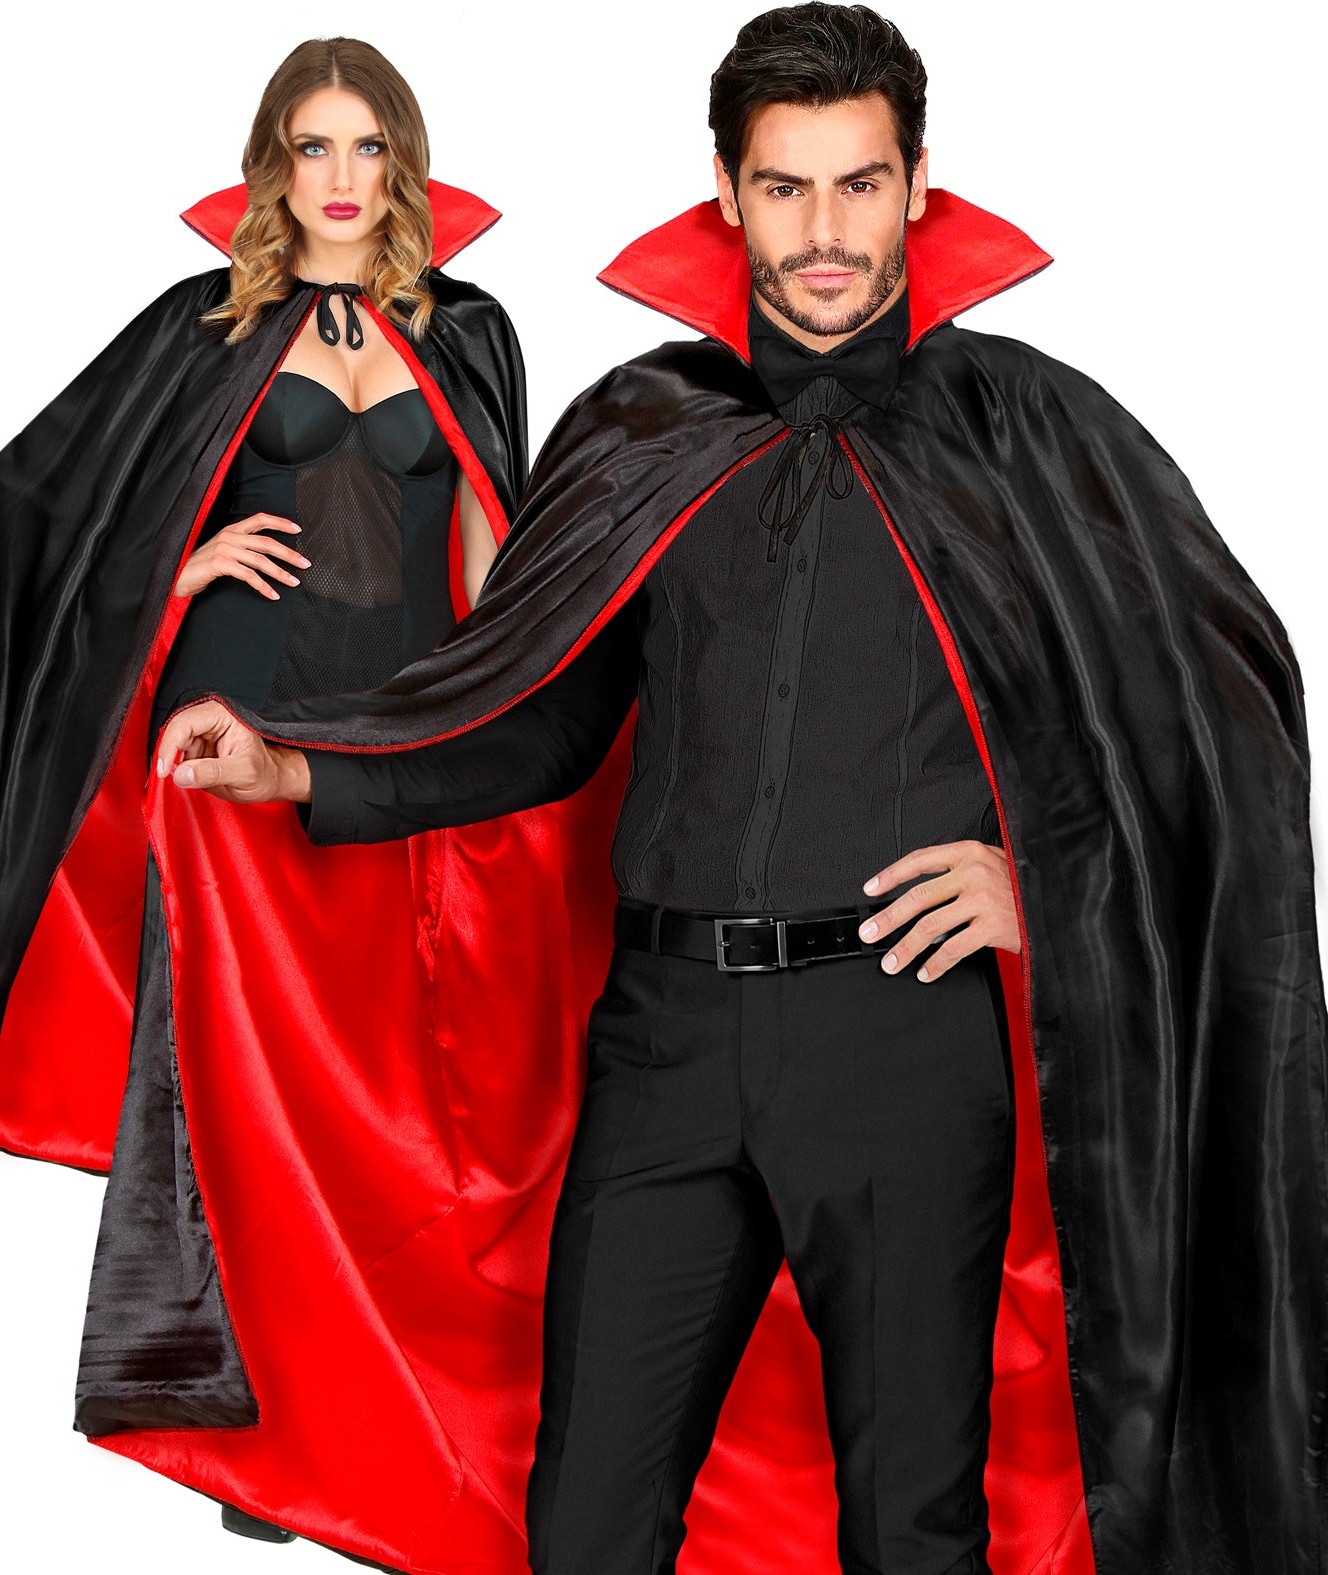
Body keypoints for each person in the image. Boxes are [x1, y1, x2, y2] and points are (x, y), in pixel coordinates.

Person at [157, 5, 1328, 1574]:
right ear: (725, 191)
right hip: (665, 1039)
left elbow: (1214, 729)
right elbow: (537, 712)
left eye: (859, 183)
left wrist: (1044, 886)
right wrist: (298, 763)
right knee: (586, 1522)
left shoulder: (1033, 433)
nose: (824, 231)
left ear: (918, 184)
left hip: (901, 1046)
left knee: (911, 1533)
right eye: (784, 187)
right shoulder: (641, 423)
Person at [0, 32, 540, 1556]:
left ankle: (381, 1423)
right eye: (312, 148)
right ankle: (260, 1448)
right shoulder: (208, 328)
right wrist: (174, 573)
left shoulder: (467, 331)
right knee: (239, 1093)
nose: (339, 178)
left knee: (394, 1093)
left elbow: (491, 542)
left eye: (365, 146)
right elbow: (29, 491)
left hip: (387, 747)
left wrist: (521, 685)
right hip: (230, 738)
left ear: (402, 163)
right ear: (273, 168)